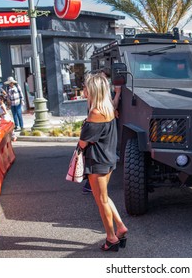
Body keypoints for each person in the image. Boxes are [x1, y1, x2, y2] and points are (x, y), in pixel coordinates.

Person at [78, 73, 127, 251]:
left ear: (92, 91)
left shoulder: (95, 113)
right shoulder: (108, 108)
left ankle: (111, 237)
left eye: (86, 87)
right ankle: (120, 227)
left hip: (97, 161)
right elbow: (114, 103)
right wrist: (118, 93)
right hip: (108, 158)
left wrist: (83, 136)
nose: (83, 90)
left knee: (101, 200)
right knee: (104, 197)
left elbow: (83, 142)